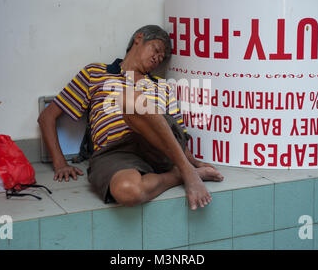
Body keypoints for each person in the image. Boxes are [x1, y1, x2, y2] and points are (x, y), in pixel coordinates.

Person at [38, 25, 224, 210]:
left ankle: (187, 171)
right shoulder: (94, 73)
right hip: (115, 152)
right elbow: (47, 117)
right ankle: (182, 175)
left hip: (160, 148)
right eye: (156, 50)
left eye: (160, 59)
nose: (156, 59)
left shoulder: (163, 86)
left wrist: (194, 161)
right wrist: (60, 163)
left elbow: (179, 133)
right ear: (138, 38)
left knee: (129, 98)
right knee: (128, 191)